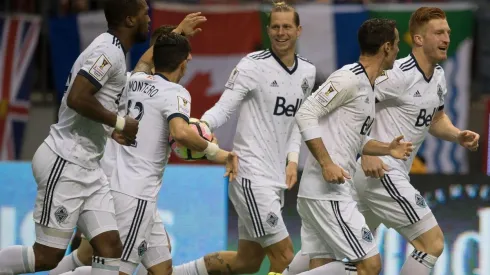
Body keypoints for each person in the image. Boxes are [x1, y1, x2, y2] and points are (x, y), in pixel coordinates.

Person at [0, 0, 150, 274]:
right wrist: (119, 121)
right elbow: (77, 97)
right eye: (145, 14)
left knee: (110, 247)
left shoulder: (112, 49)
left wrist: (111, 129)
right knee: (45, 258)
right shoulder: (108, 51)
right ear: (129, 20)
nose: (148, 19)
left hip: (88, 168)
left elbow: (92, 103)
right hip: (65, 160)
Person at [47, 17, 205, 275]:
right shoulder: (166, 91)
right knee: (106, 263)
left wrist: (177, 34)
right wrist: (212, 150)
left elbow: (144, 63)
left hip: (111, 180)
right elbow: (180, 132)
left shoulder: (131, 80)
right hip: (126, 188)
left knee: (156, 262)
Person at [354, 7, 479, 275]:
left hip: (380, 177)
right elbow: (354, 105)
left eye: (448, 32)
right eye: (438, 33)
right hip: (381, 170)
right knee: (431, 244)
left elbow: (436, 118)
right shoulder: (397, 73)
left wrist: (457, 134)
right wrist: (366, 150)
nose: (446, 38)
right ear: (419, 39)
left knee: (357, 264)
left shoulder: (439, 77)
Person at [200, 2, 316, 274]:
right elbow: (225, 106)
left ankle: (177, 272)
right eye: (275, 26)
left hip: (275, 178)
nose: (280, 32)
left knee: (247, 262)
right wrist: (203, 124)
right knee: (285, 256)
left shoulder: (307, 72)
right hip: (250, 176)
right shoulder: (252, 65)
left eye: (287, 26)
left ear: (298, 30)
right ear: (268, 30)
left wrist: (292, 159)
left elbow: (299, 121)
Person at [293, 18, 407, 275]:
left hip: (321, 192)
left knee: (321, 265)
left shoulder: (367, 86)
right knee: (369, 265)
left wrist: (387, 148)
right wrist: (326, 163)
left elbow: (355, 138)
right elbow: (305, 113)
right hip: (327, 192)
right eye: (397, 44)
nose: (399, 51)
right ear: (386, 47)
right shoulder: (348, 78)